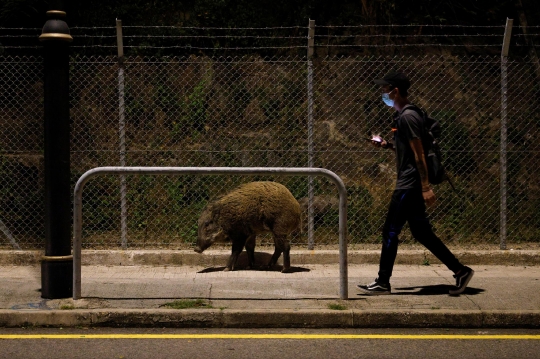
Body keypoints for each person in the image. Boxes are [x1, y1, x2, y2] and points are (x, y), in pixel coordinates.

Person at [358, 71, 474, 296]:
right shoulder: (407, 116)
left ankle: (383, 282)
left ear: (396, 91)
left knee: (390, 231)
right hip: (412, 183)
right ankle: (460, 271)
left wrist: (425, 187)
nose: (383, 94)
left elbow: (419, 155)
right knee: (422, 232)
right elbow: (410, 151)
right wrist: (387, 146)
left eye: (385, 90)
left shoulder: (407, 117)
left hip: (409, 185)